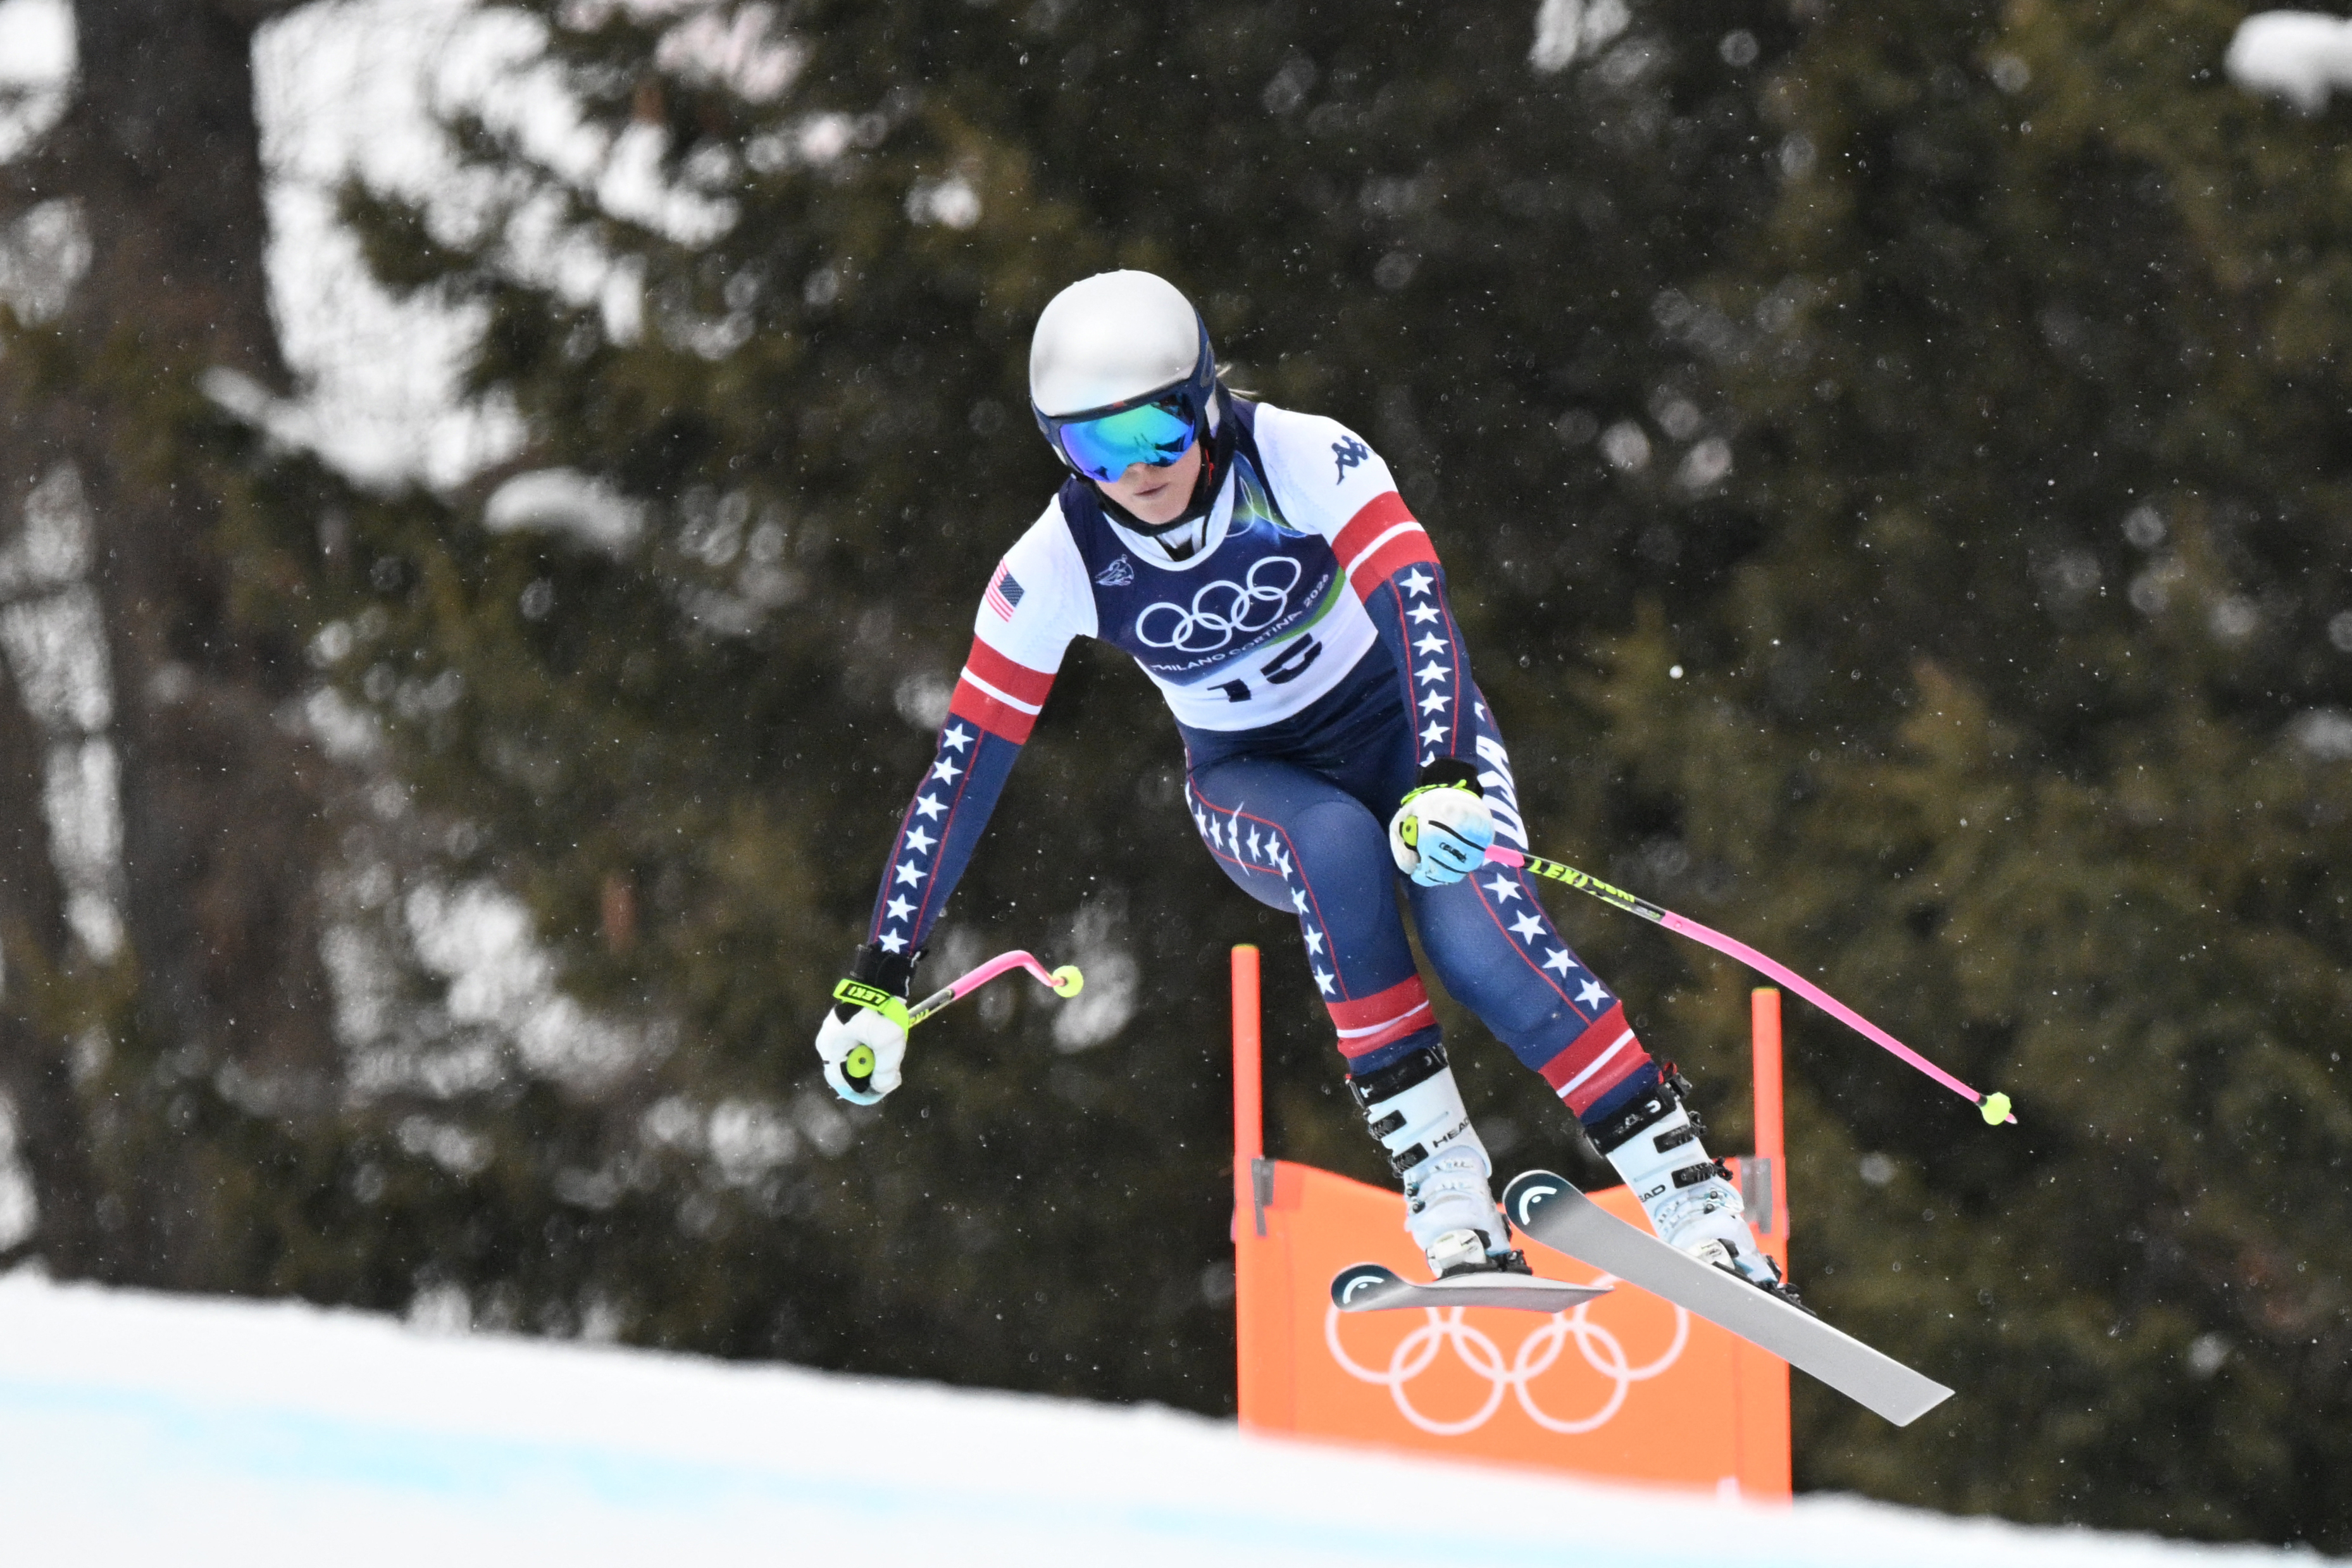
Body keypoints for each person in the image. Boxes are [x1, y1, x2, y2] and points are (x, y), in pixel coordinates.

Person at [814, 270, 1786, 1291]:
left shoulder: (1297, 454)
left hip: (1411, 736)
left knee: (1481, 943)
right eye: (1097, 448)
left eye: (1156, 430)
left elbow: (1417, 603)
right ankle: (1448, 1193)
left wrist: (1446, 770)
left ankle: (1694, 1205)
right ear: (1059, 451)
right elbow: (963, 770)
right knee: (1332, 845)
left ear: (1204, 399)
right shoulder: (1054, 562)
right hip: (1252, 779)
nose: (1136, 471)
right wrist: (880, 969)